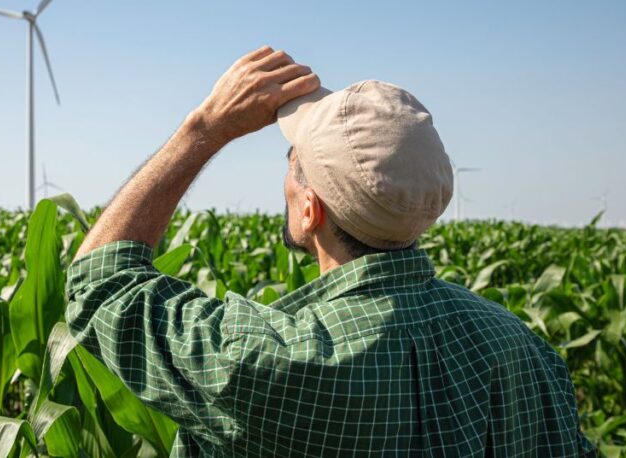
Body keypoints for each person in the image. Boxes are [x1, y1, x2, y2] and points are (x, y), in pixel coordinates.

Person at [65, 46, 596, 457]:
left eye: (292, 161)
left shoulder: (267, 362)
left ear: (309, 210)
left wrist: (202, 130)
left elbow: (99, 282)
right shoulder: (523, 350)